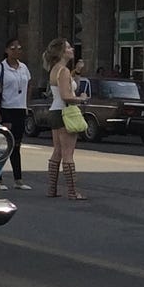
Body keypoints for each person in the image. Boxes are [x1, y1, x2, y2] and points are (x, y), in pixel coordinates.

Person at [44, 38, 89, 200]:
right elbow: (66, 96)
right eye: (69, 47)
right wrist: (82, 99)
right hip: (65, 112)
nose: (72, 49)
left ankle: (52, 189)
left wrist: (76, 71)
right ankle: (72, 191)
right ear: (61, 52)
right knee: (68, 154)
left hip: (55, 111)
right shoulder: (62, 71)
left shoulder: (55, 69)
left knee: (57, 151)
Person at [0, 39, 32, 189]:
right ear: (7, 50)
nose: (16, 51)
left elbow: (29, 84)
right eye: (13, 48)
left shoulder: (23, 68)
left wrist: (26, 104)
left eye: (19, 48)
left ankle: (18, 179)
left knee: (17, 145)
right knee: (3, 144)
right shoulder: (0, 67)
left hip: (19, 108)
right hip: (6, 108)